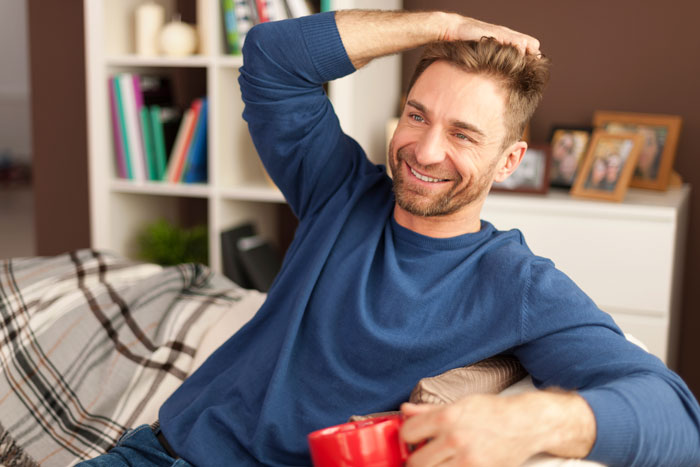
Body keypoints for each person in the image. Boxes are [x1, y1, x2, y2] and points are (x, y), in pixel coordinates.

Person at [81, 9, 700, 467]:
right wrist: (438, 26)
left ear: (509, 162)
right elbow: (271, 57)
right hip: (153, 451)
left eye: (464, 134)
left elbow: (677, 418)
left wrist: (535, 419)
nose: (425, 150)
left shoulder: (518, 285)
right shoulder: (341, 191)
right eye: (416, 114)